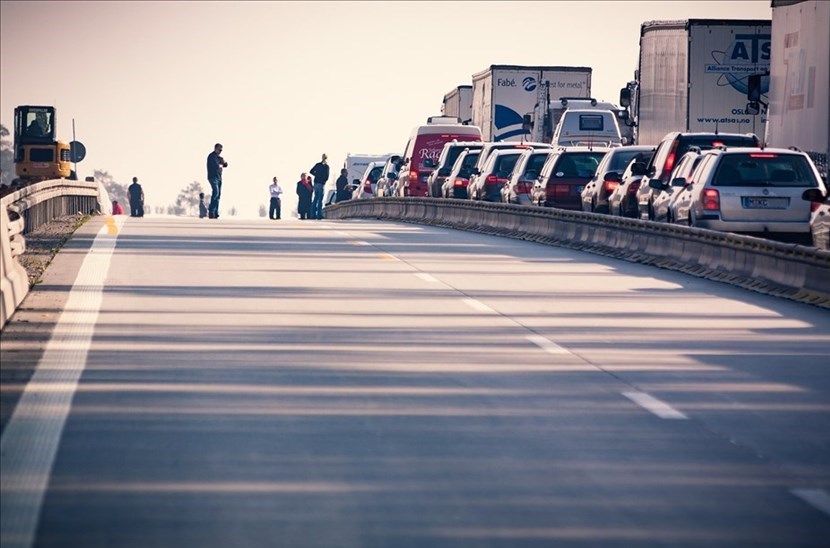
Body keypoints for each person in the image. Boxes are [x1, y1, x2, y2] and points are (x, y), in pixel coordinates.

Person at [206, 143, 228, 219]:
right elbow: (217, 165)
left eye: (221, 150)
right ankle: (211, 211)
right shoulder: (211, 156)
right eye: (219, 149)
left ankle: (215, 213)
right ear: (215, 148)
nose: (220, 151)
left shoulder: (219, 158)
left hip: (219, 178)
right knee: (216, 192)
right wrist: (221, 164)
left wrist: (222, 163)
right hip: (212, 177)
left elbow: (226, 164)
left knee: (218, 196)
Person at [309, 153, 329, 219]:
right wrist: (323, 180)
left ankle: (312, 214)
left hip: (316, 182)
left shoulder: (318, 165)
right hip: (321, 183)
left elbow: (311, 171)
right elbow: (327, 176)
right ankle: (319, 214)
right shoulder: (326, 166)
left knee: (315, 198)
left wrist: (316, 175)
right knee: (320, 199)